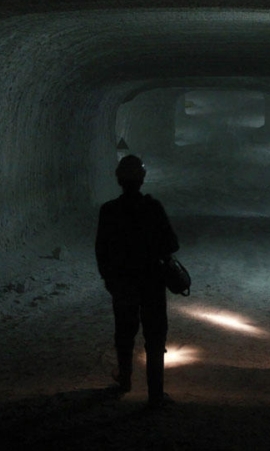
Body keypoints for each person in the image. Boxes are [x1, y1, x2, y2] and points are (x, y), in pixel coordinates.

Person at [95, 155, 180, 408]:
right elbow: (172, 244)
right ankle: (155, 393)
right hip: (152, 281)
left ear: (118, 180)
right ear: (142, 179)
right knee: (155, 336)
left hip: (123, 282)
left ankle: (124, 380)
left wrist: (110, 279)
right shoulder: (153, 208)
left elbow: (101, 250)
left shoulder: (109, 211)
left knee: (124, 332)